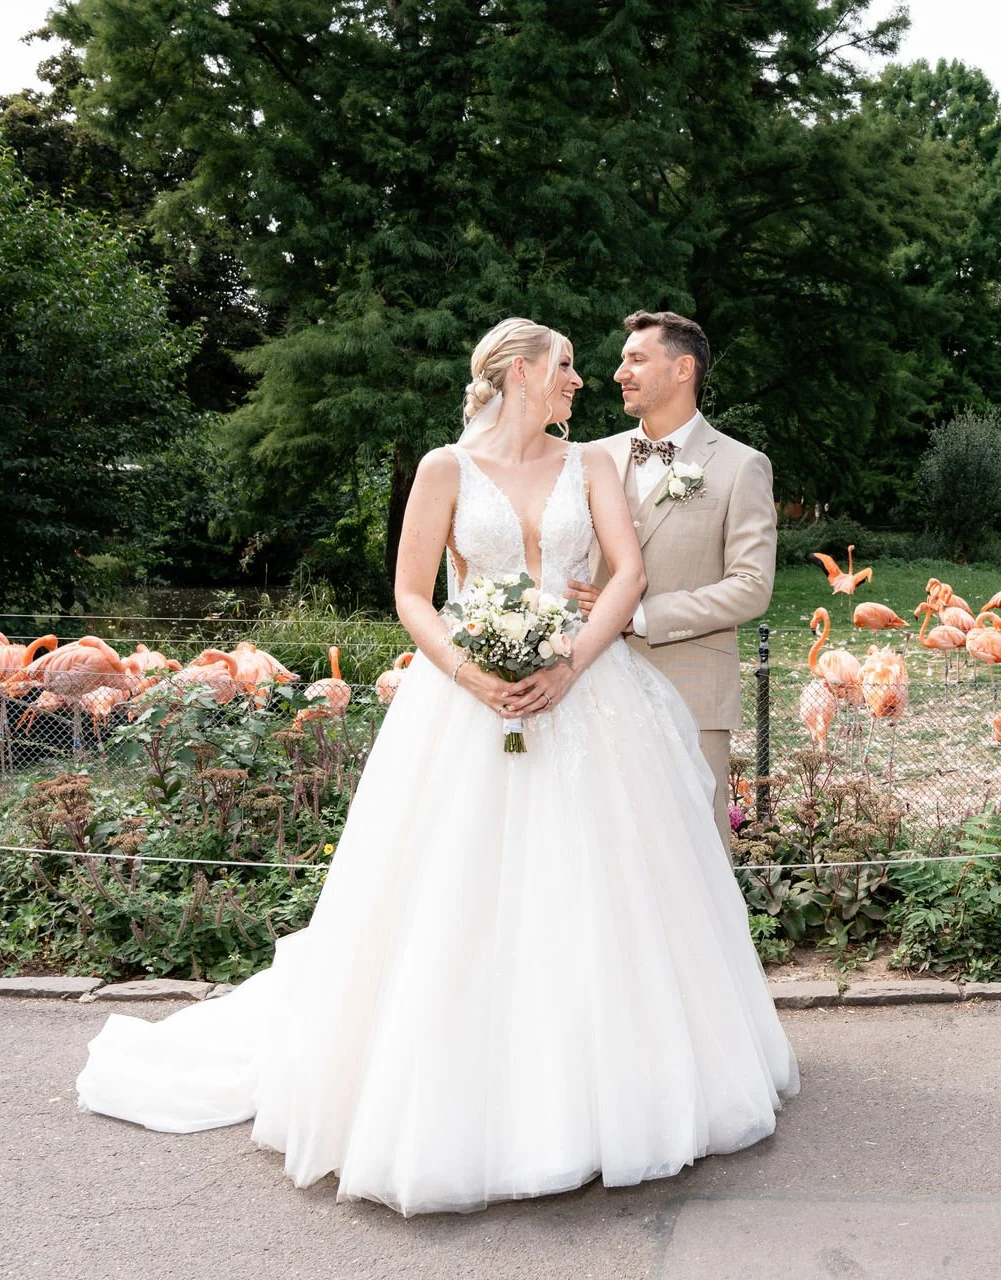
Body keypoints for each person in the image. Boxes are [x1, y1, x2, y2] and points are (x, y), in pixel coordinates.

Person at [74, 318, 799, 1216]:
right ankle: (464, 1101)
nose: (584, 380)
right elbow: (413, 594)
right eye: (568, 365)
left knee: (601, 892)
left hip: (592, 699)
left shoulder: (594, 466)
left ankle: (613, 1088)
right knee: (457, 893)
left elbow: (628, 574)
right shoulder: (443, 469)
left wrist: (568, 665)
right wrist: (469, 674)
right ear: (523, 373)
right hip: (465, 702)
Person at [569, 311, 777, 843]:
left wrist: (636, 616)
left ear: (683, 369)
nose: (620, 373)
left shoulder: (741, 465)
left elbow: (751, 585)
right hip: (588, 685)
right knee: (599, 848)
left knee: (693, 854)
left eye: (637, 359)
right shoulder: (590, 458)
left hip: (690, 690)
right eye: (622, 360)